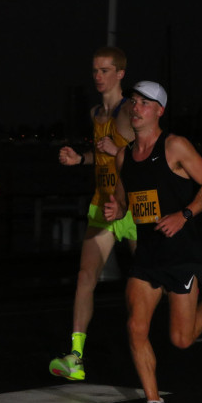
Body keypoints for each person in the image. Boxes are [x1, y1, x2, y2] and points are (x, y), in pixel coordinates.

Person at [103, 81, 202, 403]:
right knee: (135, 326)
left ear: (159, 111)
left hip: (180, 254)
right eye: (134, 102)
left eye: (145, 103)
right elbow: (123, 201)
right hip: (147, 256)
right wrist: (116, 210)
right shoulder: (123, 156)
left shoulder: (175, 145)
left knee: (181, 339)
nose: (136, 108)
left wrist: (184, 214)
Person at [50, 47, 137, 381]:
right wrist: (80, 159)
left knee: (155, 277)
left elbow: (146, 154)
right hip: (103, 203)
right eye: (95, 71)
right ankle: (75, 356)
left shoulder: (129, 110)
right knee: (85, 277)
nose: (98, 77)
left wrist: (120, 150)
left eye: (105, 70)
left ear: (120, 74)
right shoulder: (96, 113)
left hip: (132, 206)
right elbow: (101, 156)